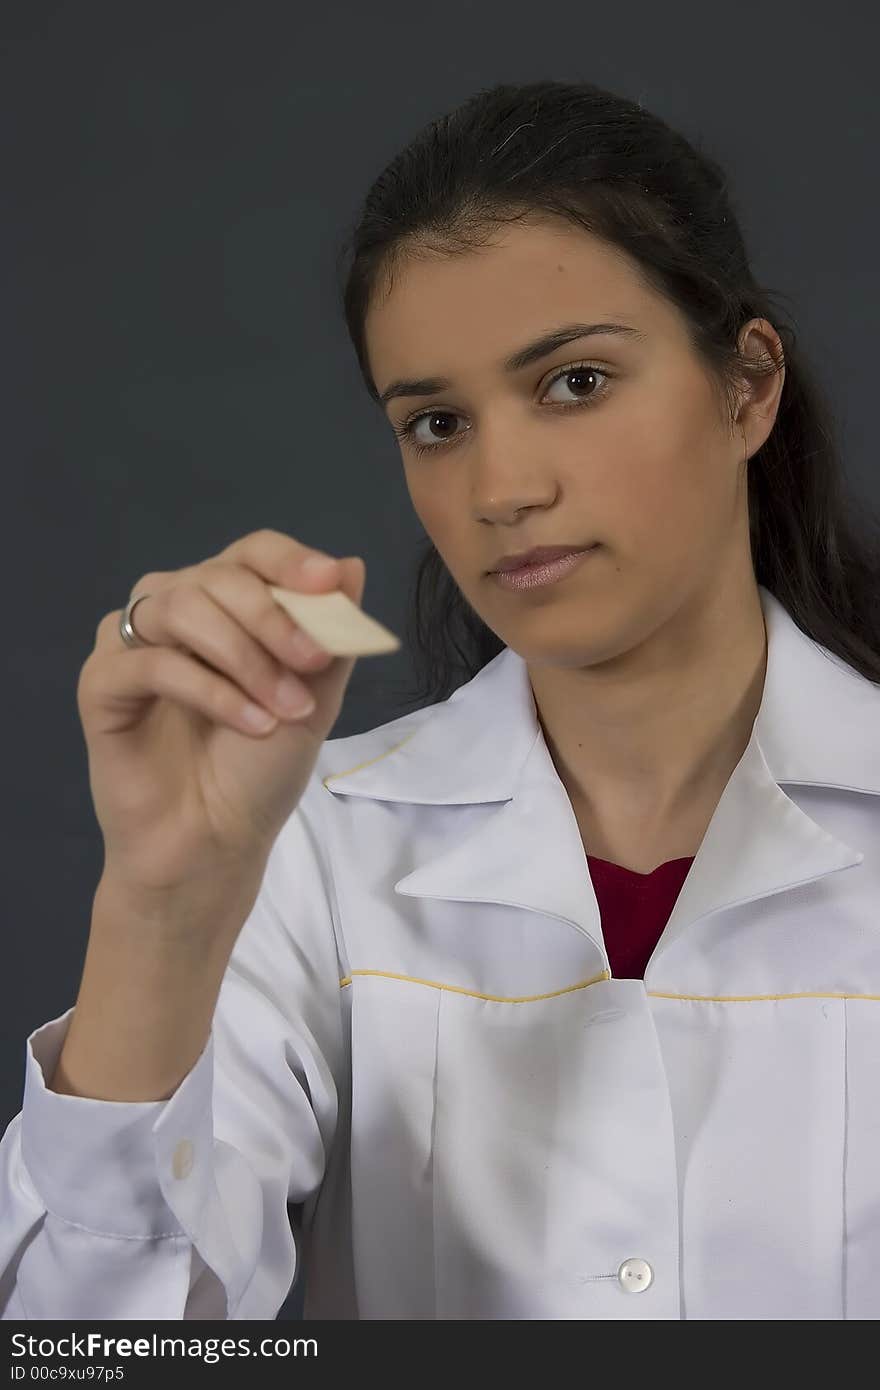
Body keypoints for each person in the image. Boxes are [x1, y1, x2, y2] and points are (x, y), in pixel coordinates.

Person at [2, 77, 880, 1322]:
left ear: (746, 386)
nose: (501, 486)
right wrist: (162, 902)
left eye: (575, 382)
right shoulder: (306, 855)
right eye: (435, 421)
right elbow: (82, 1349)